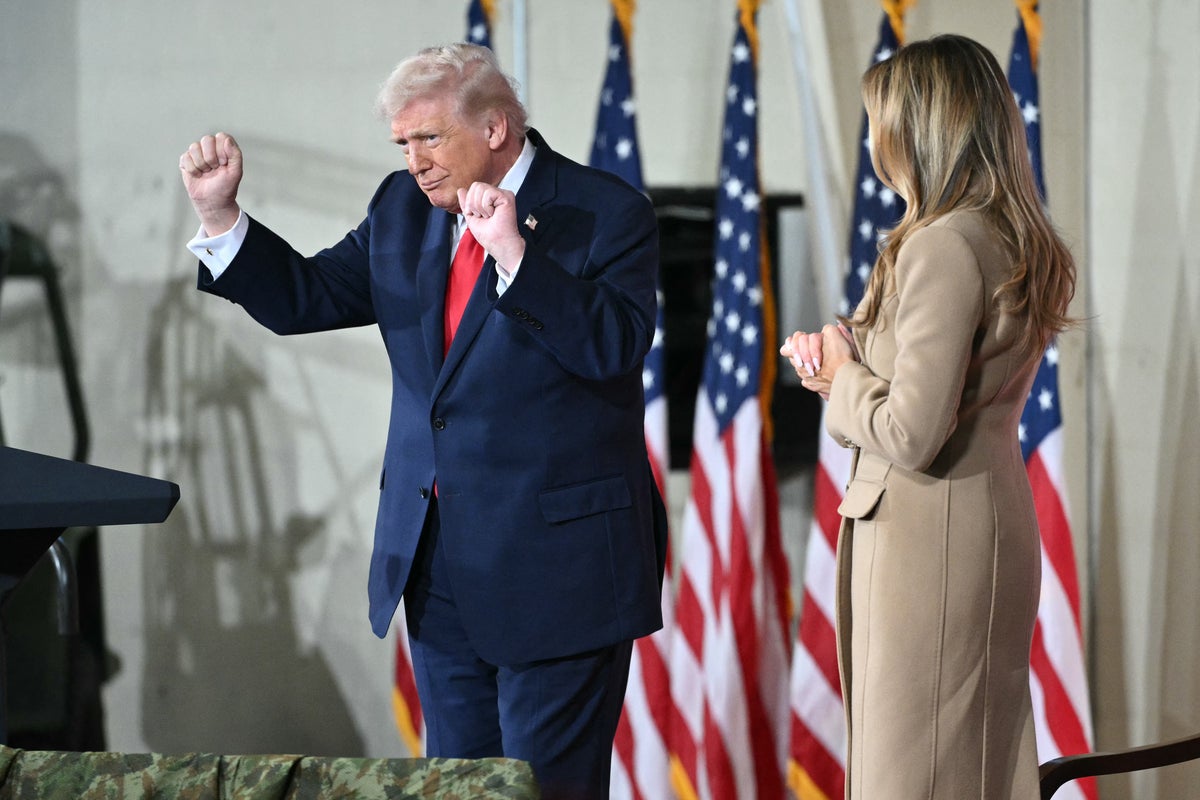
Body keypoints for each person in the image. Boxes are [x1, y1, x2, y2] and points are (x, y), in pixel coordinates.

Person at [178, 43, 667, 800]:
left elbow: (616, 346)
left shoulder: (604, 210)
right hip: (437, 570)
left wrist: (516, 258)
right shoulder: (402, 209)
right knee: (458, 786)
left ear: (496, 128)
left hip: (558, 570)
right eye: (403, 144)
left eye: (430, 138)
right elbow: (308, 296)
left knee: (545, 790)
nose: (415, 163)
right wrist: (221, 218)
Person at [781, 34, 1076, 800]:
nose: (874, 142)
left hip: (928, 540)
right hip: (974, 522)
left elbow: (912, 433)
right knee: (968, 767)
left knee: (914, 774)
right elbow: (938, 389)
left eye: (882, 123)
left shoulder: (942, 245)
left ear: (922, 129)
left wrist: (840, 376)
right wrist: (847, 360)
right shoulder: (1004, 233)